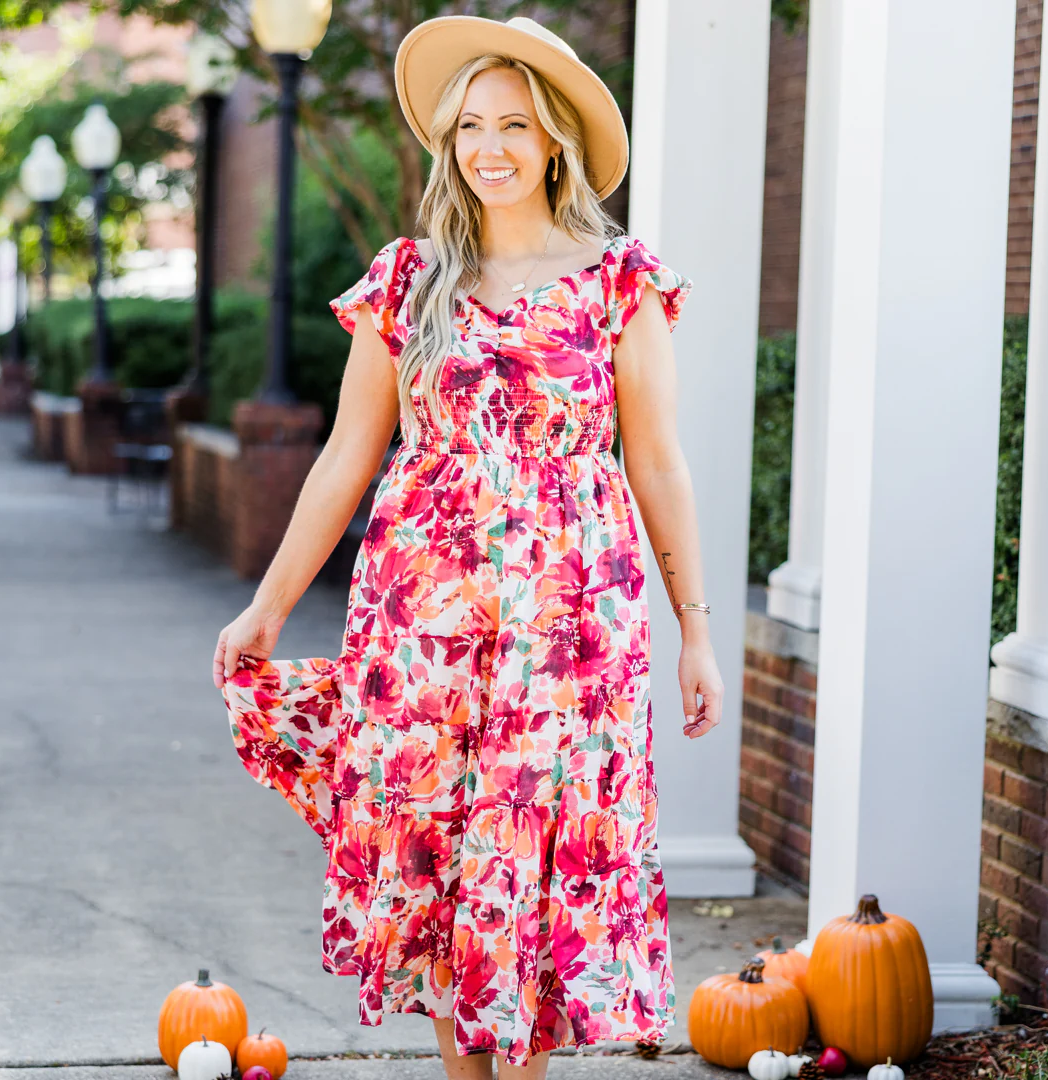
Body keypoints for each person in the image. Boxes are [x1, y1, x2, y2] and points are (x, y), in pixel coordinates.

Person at [213, 13, 724, 1078]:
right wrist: (266, 605)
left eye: (514, 125)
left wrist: (696, 631)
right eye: (471, 126)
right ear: (451, 143)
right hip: (423, 621)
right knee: (442, 850)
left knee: (535, 860)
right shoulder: (407, 279)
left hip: (573, 630)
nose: (489, 147)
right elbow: (346, 457)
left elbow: (659, 463)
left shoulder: (619, 280)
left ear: (553, 143)